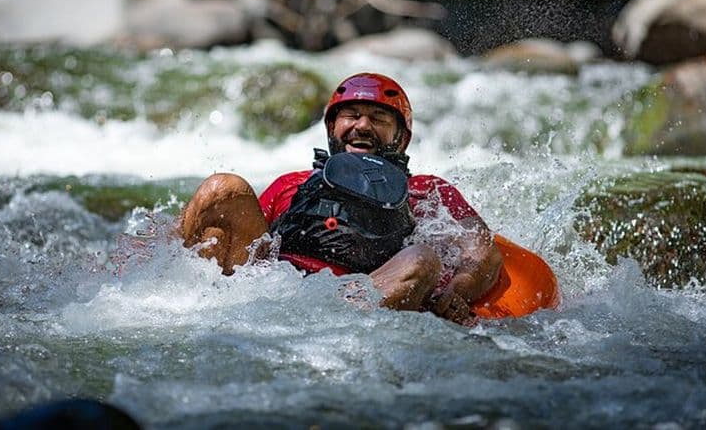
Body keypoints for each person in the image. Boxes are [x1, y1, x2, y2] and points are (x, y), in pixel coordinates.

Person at [174, 72, 502, 324]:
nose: (362, 126)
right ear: (333, 127)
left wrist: (459, 289)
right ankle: (180, 295)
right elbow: (238, 237)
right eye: (352, 115)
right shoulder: (292, 183)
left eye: (379, 119)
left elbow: (481, 249)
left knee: (422, 260)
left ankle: (326, 327)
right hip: (271, 291)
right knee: (222, 188)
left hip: (361, 298)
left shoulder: (427, 190)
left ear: (401, 137)